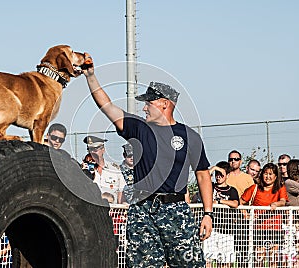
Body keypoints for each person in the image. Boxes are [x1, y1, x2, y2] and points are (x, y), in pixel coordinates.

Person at [83, 59, 213, 267]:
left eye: (148, 103)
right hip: (142, 210)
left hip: (176, 210)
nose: (144, 108)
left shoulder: (189, 136)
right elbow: (106, 106)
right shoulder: (139, 128)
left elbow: (203, 175)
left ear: (164, 103)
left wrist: (208, 214)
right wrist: (90, 76)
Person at [240, 163, 288, 267]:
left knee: (273, 258)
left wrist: (276, 204)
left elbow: (283, 201)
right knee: (258, 258)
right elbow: (240, 202)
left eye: (271, 174)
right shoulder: (255, 188)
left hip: (275, 228)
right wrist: (246, 214)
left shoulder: (280, 188)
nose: (268, 177)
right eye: (265, 174)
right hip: (258, 228)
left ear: (275, 176)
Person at [83, 135, 125, 204]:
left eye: (95, 149)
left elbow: (121, 191)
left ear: (103, 149)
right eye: (90, 149)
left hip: (112, 210)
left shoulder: (114, 169)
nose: (92, 152)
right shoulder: (85, 170)